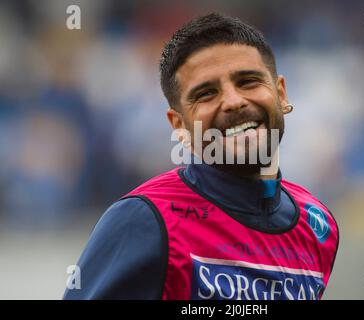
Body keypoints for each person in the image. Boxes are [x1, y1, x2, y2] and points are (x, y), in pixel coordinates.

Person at [64, 13, 339, 300]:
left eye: (248, 81)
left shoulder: (318, 225)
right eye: (206, 94)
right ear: (180, 126)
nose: (233, 101)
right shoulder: (144, 219)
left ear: (280, 94)